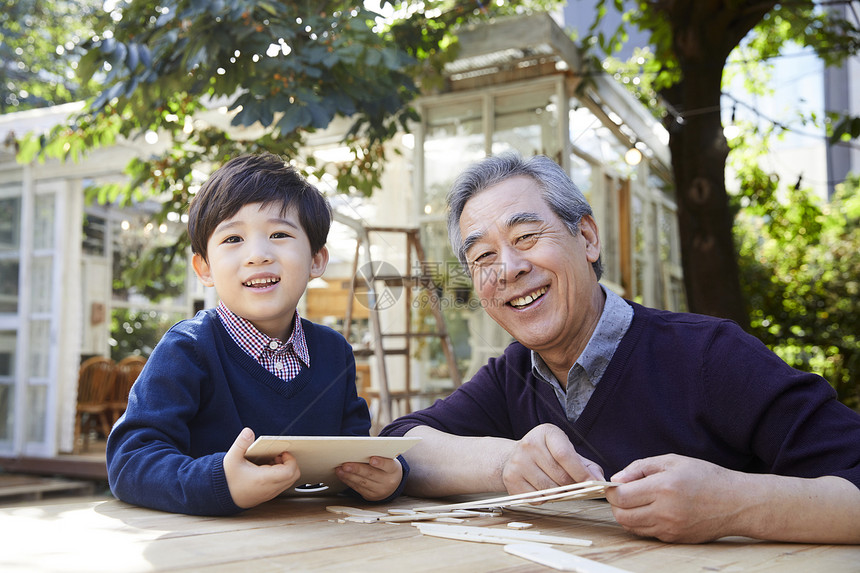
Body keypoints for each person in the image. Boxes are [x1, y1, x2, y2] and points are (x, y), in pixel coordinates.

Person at [380, 152, 860, 543]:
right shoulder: (515, 375)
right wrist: (506, 463)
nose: (506, 268)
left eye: (526, 237)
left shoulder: (710, 355)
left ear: (586, 238)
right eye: (483, 256)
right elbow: (398, 447)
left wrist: (734, 503)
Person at [107, 153, 406, 515]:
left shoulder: (332, 351)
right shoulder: (188, 349)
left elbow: (354, 451)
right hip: (210, 550)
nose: (257, 255)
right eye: (233, 239)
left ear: (316, 259)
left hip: (315, 543)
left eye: (279, 234)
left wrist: (387, 480)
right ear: (204, 268)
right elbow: (130, 460)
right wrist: (219, 481)